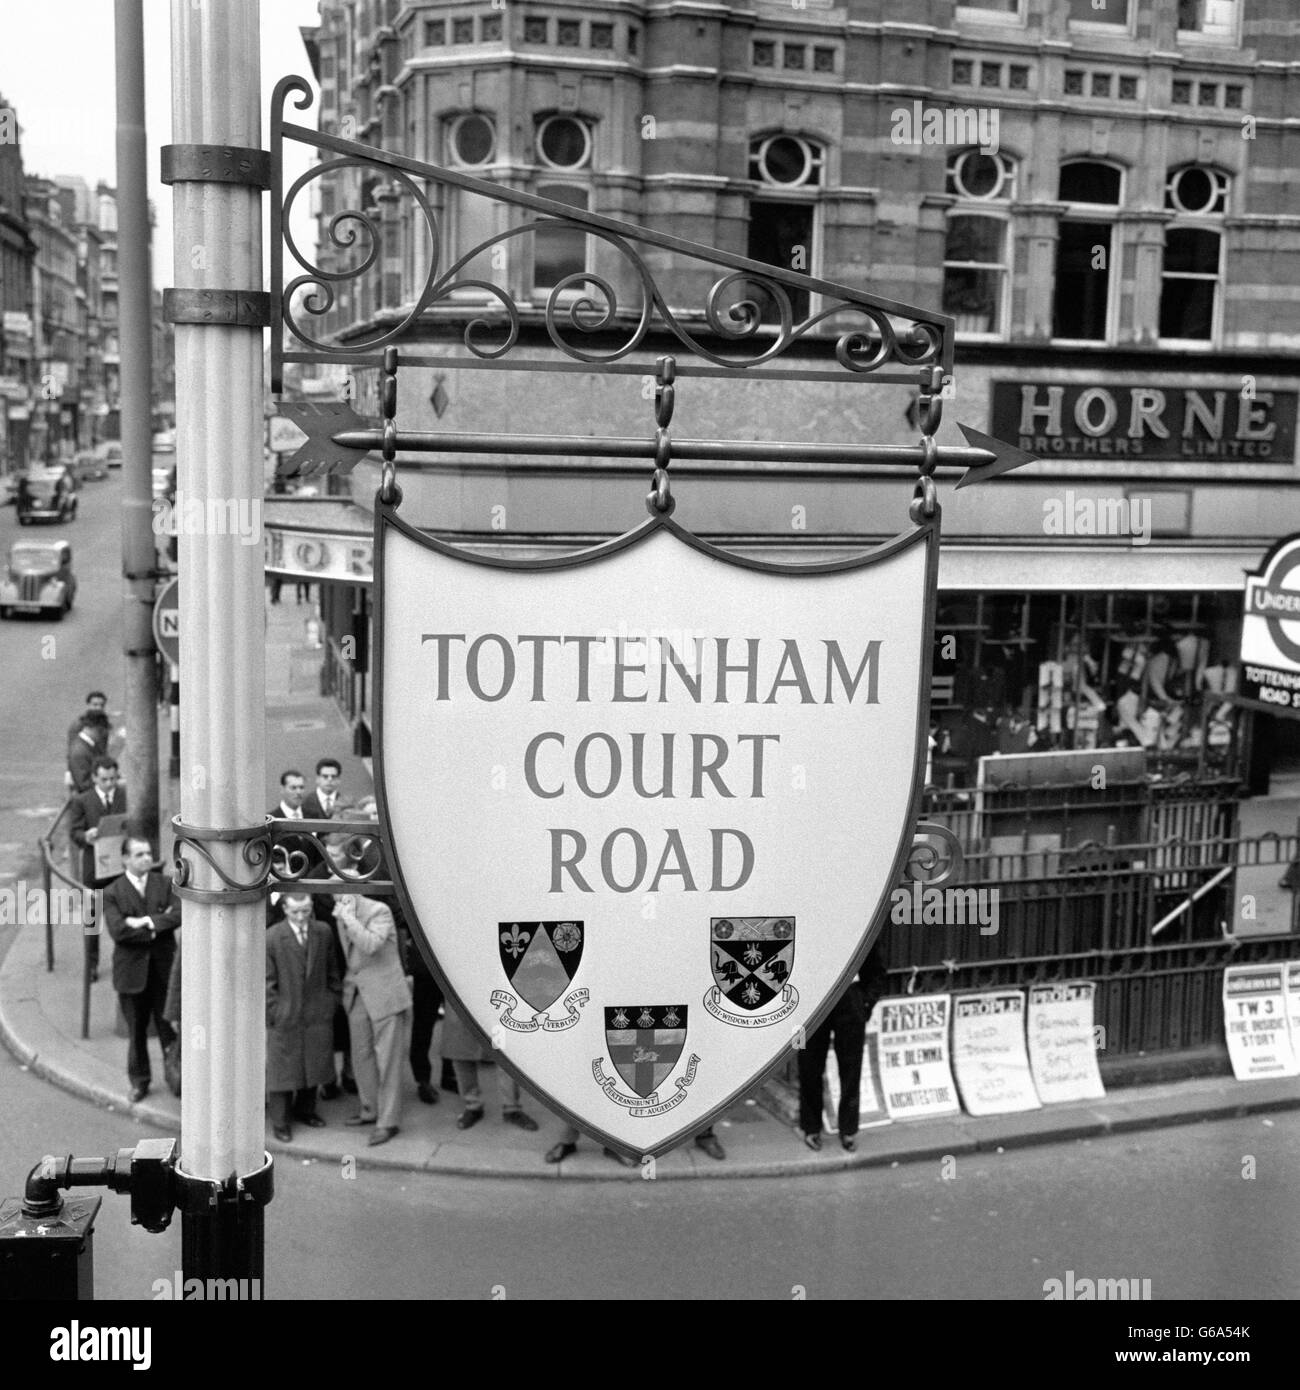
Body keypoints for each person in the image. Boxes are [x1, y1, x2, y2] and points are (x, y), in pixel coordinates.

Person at [328, 835, 412, 1145]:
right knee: (361, 1056)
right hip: (357, 994)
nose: (336, 899)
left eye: (339, 892)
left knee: (387, 1061)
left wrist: (349, 919)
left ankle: (387, 1122)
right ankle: (368, 1109)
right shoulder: (341, 910)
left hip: (386, 995)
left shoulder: (379, 912)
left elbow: (371, 945)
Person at [103, 836, 180, 1103]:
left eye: (148, 853)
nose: (147, 858)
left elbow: (179, 913)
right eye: (139, 855)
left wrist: (145, 922)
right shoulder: (113, 891)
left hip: (162, 971)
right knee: (136, 1032)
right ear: (125, 859)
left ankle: (176, 1077)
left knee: (168, 1027)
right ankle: (139, 1082)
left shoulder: (165, 883)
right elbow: (119, 931)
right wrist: (158, 927)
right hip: (131, 974)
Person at [797, 942, 889, 1153]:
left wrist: (865, 1003)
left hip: (849, 998)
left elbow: (877, 969)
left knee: (851, 1067)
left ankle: (848, 1130)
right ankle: (810, 1127)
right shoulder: (807, 923)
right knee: (807, 1067)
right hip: (809, 1003)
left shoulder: (859, 922)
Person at [266, 893, 342, 1142]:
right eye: (295, 911)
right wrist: (274, 1011)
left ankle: (306, 1111)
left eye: (306, 911)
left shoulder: (323, 931)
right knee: (283, 1072)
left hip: (317, 1011)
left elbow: (333, 970)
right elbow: (267, 982)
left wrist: (331, 1001)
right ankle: (281, 1121)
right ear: (285, 909)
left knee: (313, 1065)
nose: (301, 917)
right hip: (285, 1013)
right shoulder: (273, 936)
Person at [68, 757, 128, 980]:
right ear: (94, 778)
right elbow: (74, 833)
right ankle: (91, 965)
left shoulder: (124, 795)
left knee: (121, 916)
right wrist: (86, 836)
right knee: (92, 919)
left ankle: (121, 962)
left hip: (118, 866)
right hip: (94, 867)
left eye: (113, 778)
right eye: (104, 779)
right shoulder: (82, 801)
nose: (109, 783)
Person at [442, 999, 539, 1133]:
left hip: (493, 995)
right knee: (461, 1050)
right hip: (459, 994)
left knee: (505, 1053)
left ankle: (512, 1108)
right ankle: (472, 1105)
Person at [67, 710, 111, 794]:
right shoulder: (79, 751)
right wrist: (111, 782)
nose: (102, 734)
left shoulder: (88, 746)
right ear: (91, 728)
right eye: (100, 731)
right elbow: (84, 784)